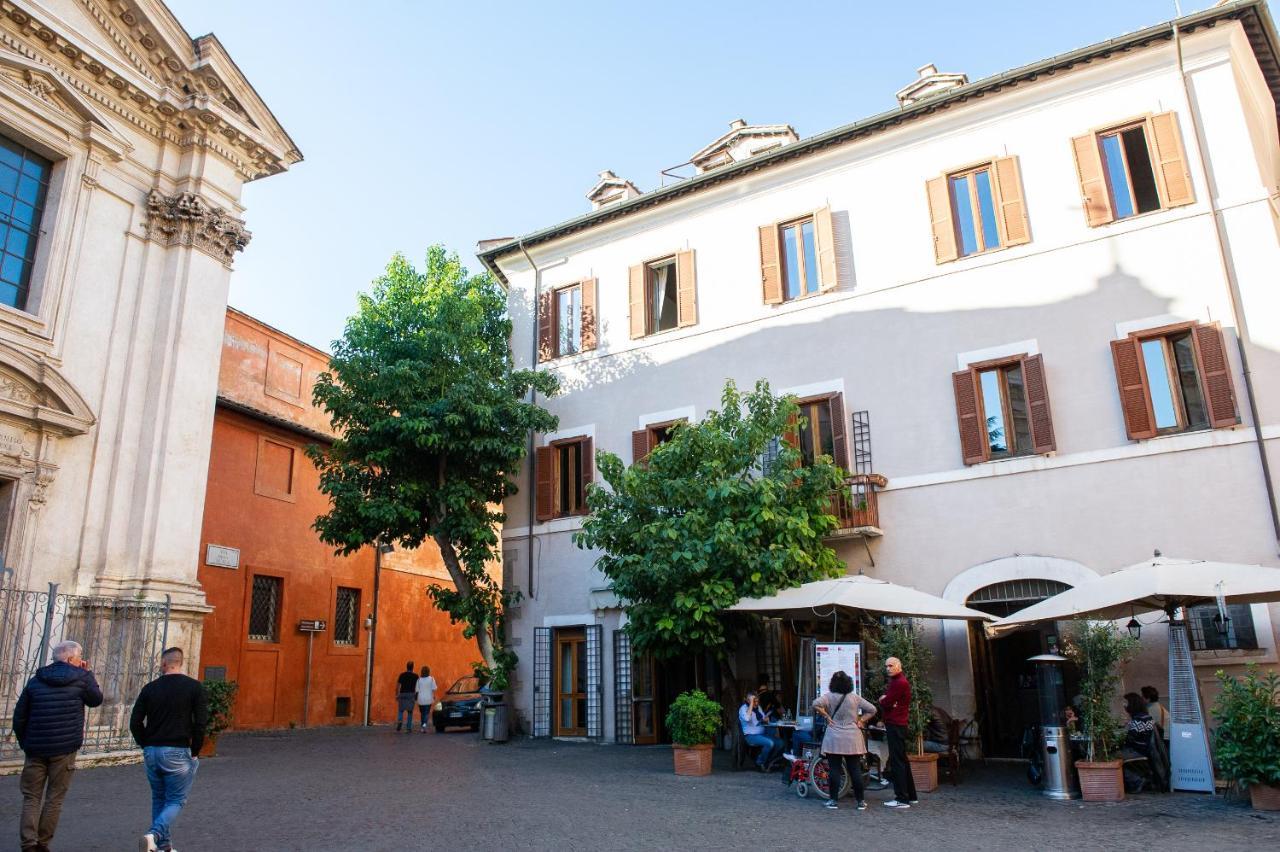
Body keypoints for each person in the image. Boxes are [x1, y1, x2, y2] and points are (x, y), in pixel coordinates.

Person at [12, 639, 103, 852]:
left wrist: (25, 741)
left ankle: (28, 844)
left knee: (31, 796)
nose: (82, 661)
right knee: (55, 797)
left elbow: (19, 716)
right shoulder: (82, 678)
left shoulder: (36, 679)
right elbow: (96, 700)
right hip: (64, 749)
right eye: (79, 657)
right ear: (72, 658)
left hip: (35, 747)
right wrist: (88, 674)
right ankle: (43, 844)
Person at [130, 647, 208, 852]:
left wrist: (145, 743)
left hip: (152, 751)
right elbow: (201, 723)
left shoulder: (149, 688)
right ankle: (153, 835)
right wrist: (195, 750)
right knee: (176, 800)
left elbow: (135, 722)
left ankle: (163, 846)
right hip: (177, 750)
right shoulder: (194, 687)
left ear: (164, 664)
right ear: (181, 663)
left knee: (159, 798)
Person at [813, 670, 877, 811]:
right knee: (855, 769)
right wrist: (861, 721)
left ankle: (833, 801)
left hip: (834, 737)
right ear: (848, 683)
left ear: (833, 683)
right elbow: (872, 709)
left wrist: (826, 715)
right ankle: (860, 802)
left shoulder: (829, 697)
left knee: (834, 769)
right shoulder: (854, 698)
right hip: (852, 737)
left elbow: (815, 703)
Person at [879, 656, 917, 809]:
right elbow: (890, 702)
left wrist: (883, 699)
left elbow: (887, 702)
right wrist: (888, 701)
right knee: (902, 760)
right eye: (886, 666)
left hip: (895, 725)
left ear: (899, 666)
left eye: (891, 665)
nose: (888, 668)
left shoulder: (898, 683)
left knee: (897, 761)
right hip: (899, 724)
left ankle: (901, 798)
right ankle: (911, 795)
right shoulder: (899, 681)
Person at [739, 691, 784, 771]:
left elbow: (763, 717)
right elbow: (747, 718)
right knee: (770, 743)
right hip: (751, 736)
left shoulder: (758, 708)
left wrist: (765, 719)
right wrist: (751, 704)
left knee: (780, 743)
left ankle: (767, 761)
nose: (756, 703)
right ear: (747, 700)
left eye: (757, 701)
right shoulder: (743, 709)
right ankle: (759, 762)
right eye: (754, 701)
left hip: (762, 734)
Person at [395, 661, 418, 732]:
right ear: (413, 667)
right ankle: (408, 727)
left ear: (406, 667)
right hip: (411, 694)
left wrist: (397, 694)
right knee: (410, 711)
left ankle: (400, 721)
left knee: (401, 710)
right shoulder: (416, 676)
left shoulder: (402, 675)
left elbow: (398, 686)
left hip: (403, 694)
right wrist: (416, 696)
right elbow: (417, 687)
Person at [415, 665, 438, 732]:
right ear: (428, 671)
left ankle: (422, 726)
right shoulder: (431, 679)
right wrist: (433, 695)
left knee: (422, 713)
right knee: (427, 713)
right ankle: (424, 725)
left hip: (421, 699)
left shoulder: (419, 680)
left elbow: (417, 690)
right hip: (428, 698)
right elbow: (434, 688)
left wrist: (416, 699)